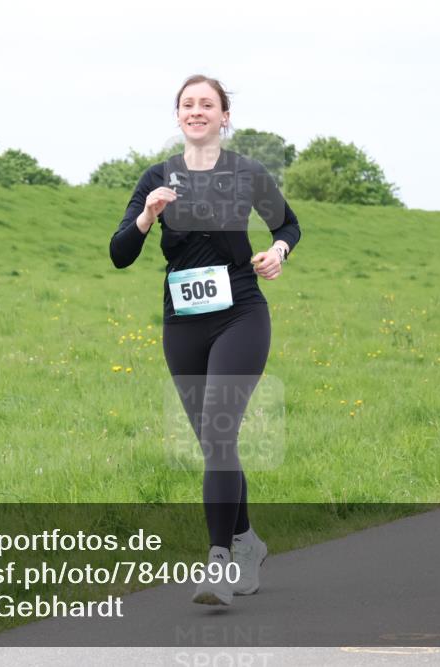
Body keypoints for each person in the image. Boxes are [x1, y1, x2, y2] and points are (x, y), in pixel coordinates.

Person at [109, 74, 301, 606]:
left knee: (218, 430)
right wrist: (148, 215)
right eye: (187, 104)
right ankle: (247, 542)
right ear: (178, 116)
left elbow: (289, 226)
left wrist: (277, 253)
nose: (197, 111)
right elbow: (120, 252)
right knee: (214, 443)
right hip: (183, 321)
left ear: (224, 116)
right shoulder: (156, 177)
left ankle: (217, 563)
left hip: (240, 313)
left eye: (207, 104)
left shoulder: (245, 172)